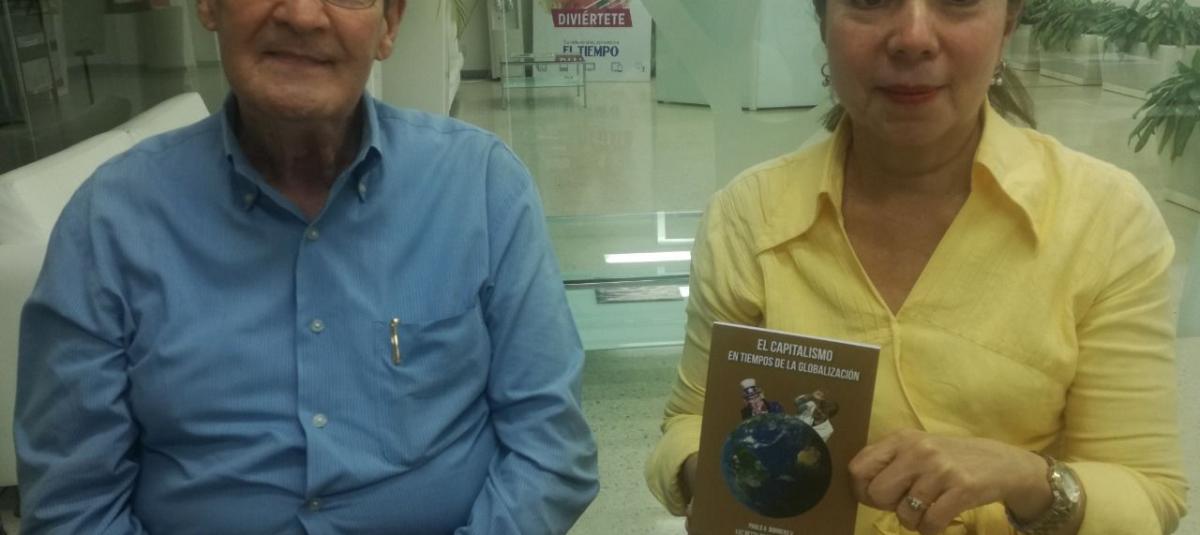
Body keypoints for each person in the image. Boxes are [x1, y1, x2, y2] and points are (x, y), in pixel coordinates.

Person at [14, 0, 598, 533]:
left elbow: (549, 446)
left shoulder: (480, 187)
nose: (301, 14)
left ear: (390, 24)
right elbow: (73, 506)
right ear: (209, 6)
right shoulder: (112, 221)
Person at [645, 0, 1188, 534]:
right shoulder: (750, 216)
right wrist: (724, 477)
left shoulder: (1102, 218)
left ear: (1008, 21)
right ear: (823, 19)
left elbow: (1147, 496)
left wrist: (1026, 479)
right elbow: (691, 420)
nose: (913, 37)